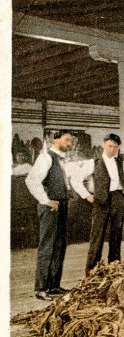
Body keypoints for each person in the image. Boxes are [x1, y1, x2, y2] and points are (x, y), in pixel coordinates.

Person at [71, 133, 124, 276]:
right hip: (101, 201)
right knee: (97, 236)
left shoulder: (121, 163)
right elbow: (75, 179)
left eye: (115, 147)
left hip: (118, 199)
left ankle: (115, 267)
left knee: (116, 235)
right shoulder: (93, 162)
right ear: (104, 145)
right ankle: (91, 271)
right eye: (109, 146)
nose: (112, 149)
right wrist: (87, 195)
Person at [25, 129, 75, 301]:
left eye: (71, 140)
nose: (70, 143)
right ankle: (41, 288)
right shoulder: (46, 157)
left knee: (60, 245)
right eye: (67, 140)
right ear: (56, 140)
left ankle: (53, 285)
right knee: (47, 246)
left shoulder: (64, 160)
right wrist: (46, 200)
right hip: (50, 206)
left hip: (62, 205)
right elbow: (31, 180)